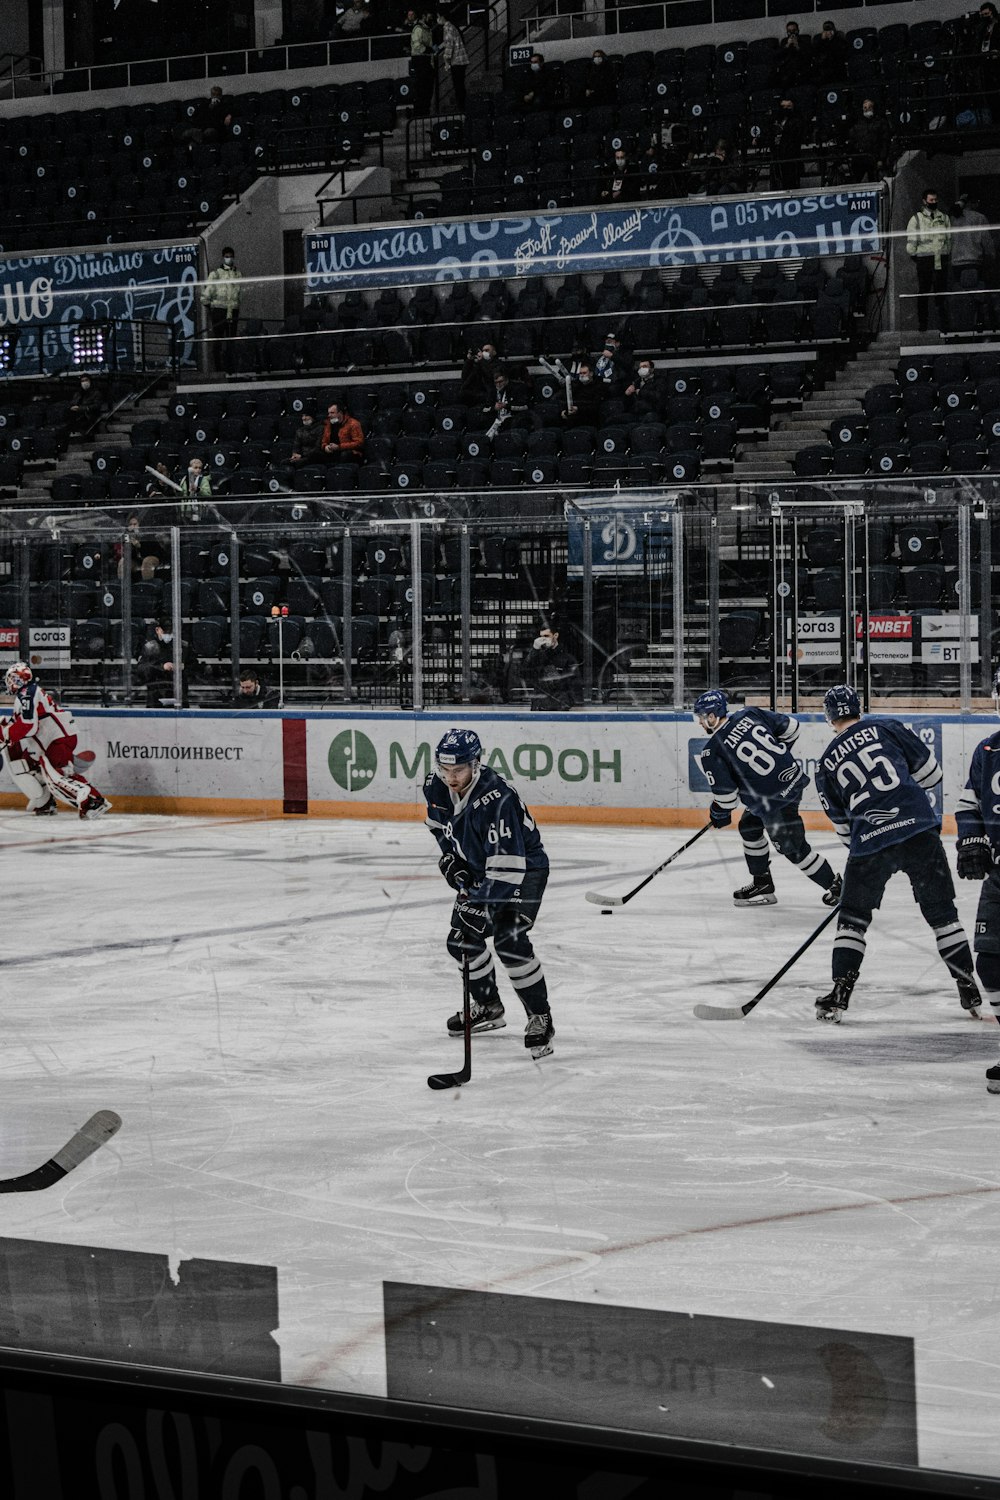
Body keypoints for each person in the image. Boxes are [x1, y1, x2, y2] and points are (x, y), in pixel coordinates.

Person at [813, 683, 981, 1023]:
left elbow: (843, 827)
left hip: (869, 842)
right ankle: (968, 986)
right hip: (918, 828)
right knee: (943, 914)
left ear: (830, 718)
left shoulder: (825, 763)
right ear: (858, 708)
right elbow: (932, 773)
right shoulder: (886, 727)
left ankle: (840, 994)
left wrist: (858, 862)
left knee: (853, 920)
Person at [424, 727, 555, 1059]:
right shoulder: (435, 787)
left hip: (524, 870)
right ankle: (488, 1007)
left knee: (510, 940)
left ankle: (540, 1016)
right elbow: (440, 829)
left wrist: (483, 904)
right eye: (445, 769)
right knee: (461, 942)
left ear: (476, 764)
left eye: (459, 769)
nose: (451, 777)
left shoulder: (496, 798)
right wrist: (452, 861)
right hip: (485, 869)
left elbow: (508, 866)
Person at [693, 689, 842, 909]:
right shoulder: (749, 713)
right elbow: (792, 728)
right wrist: (778, 760)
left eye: (701, 718)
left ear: (712, 716)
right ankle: (762, 882)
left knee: (794, 849)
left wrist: (718, 812)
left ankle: (839, 888)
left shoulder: (712, 751)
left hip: (774, 802)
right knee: (749, 826)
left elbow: (726, 800)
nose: (700, 723)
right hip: (790, 782)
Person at [956, 665, 1000, 1092]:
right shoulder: (988, 751)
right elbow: (968, 801)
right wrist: (972, 840)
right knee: (989, 959)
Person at [3, 663, 110, 819]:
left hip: (56, 739)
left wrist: (8, 735)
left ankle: (93, 801)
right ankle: (45, 803)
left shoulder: (27, 693)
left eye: (12, 678)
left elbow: (28, 725)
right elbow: (19, 721)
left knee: (57, 775)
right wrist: (5, 731)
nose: (10, 682)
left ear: (19, 679)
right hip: (51, 739)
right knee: (28, 764)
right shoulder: (28, 693)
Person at [906, 189, 951, 334]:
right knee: (924, 294)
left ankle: (944, 325)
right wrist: (916, 256)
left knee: (941, 294)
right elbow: (911, 243)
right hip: (925, 261)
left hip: (940, 260)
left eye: (935, 200)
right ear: (924, 201)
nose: (934, 202)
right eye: (931, 200)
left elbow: (949, 240)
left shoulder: (944, 218)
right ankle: (923, 324)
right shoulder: (916, 219)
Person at [0, 714, 58, 814]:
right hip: (41, 742)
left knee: (22, 768)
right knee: (21, 768)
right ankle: (46, 802)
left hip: (42, 743)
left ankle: (46, 803)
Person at [201, 246, 243, 375]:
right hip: (219, 311)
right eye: (227, 256)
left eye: (231, 256)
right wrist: (210, 309)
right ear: (223, 257)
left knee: (231, 340)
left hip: (233, 311)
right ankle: (218, 368)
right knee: (218, 341)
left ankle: (230, 367)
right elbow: (206, 296)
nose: (229, 259)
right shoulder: (216, 274)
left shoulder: (237, 274)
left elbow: (239, 293)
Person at [522, 623, 582, 711]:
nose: (543, 639)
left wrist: (564, 705)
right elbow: (524, 673)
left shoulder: (568, 659)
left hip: (558, 710)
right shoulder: (537, 657)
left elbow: (575, 688)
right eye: (541, 637)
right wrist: (534, 650)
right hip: (538, 708)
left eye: (546, 636)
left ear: (555, 635)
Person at [136, 621, 196, 708]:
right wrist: (162, 667)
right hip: (156, 694)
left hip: (179, 694)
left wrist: (184, 667)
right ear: (158, 630)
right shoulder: (149, 647)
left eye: (171, 632)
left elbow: (194, 665)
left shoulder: (183, 646)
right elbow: (141, 669)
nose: (169, 635)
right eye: (166, 632)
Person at [436, 9, 469, 111]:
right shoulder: (452, 26)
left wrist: (446, 61)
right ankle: (463, 106)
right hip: (461, 60)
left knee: (458, 85)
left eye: (438, 17)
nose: (437, 19)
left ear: (442, 17)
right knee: (460, 85)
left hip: (457, 61)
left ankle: (462, 108)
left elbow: (449, 46)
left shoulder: (448, 28)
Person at [482, 367, 529, 436]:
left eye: (500, 382)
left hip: (512, 421)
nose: (498, 385)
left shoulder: (517, 388)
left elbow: (526, 406)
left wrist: (506, 406)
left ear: (506, 380)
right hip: (496, 423)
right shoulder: (492, 391)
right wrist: (493, 408)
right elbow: (484, 409)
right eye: (496, 383)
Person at [115, 513, 162, 581]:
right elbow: (127, 555)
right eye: (130, 525)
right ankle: (122, 585)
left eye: (135, 524)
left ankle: (147, 584)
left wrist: (139, 546)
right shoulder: (127, 536)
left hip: (152, 557)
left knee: (147, 562)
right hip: (137, 560)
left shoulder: (147, 535)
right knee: (123, 561)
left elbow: (152, 551)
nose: (133, 527)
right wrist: (130, 546)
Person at [770, 97, 804, 192]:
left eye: (789, 106)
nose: (786, 109)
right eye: (783, 106)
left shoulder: (797, 120)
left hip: (791, 157)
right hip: (776, 156)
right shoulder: (776, 120)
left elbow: (797, 136)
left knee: (790, 184)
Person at [407, 9, 436, 116]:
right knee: (422, 88)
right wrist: (428, 50)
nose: (431, 18)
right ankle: (420, 112)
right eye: (429, 15)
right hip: (420, 60)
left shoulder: (427, 29)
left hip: (426, 61)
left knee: (427, 89)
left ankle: (424, 111)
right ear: (424, 16)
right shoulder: (419, 28)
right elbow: (417, 45)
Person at [560, 360, 603, 426]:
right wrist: (564, 411)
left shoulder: (598, 387)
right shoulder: (576, 386)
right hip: (573, 417)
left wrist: (578, 409)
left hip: (589, 419)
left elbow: (595, 406)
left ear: (591, 373)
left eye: (584, 373)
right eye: (580, 373)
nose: (582, 375)